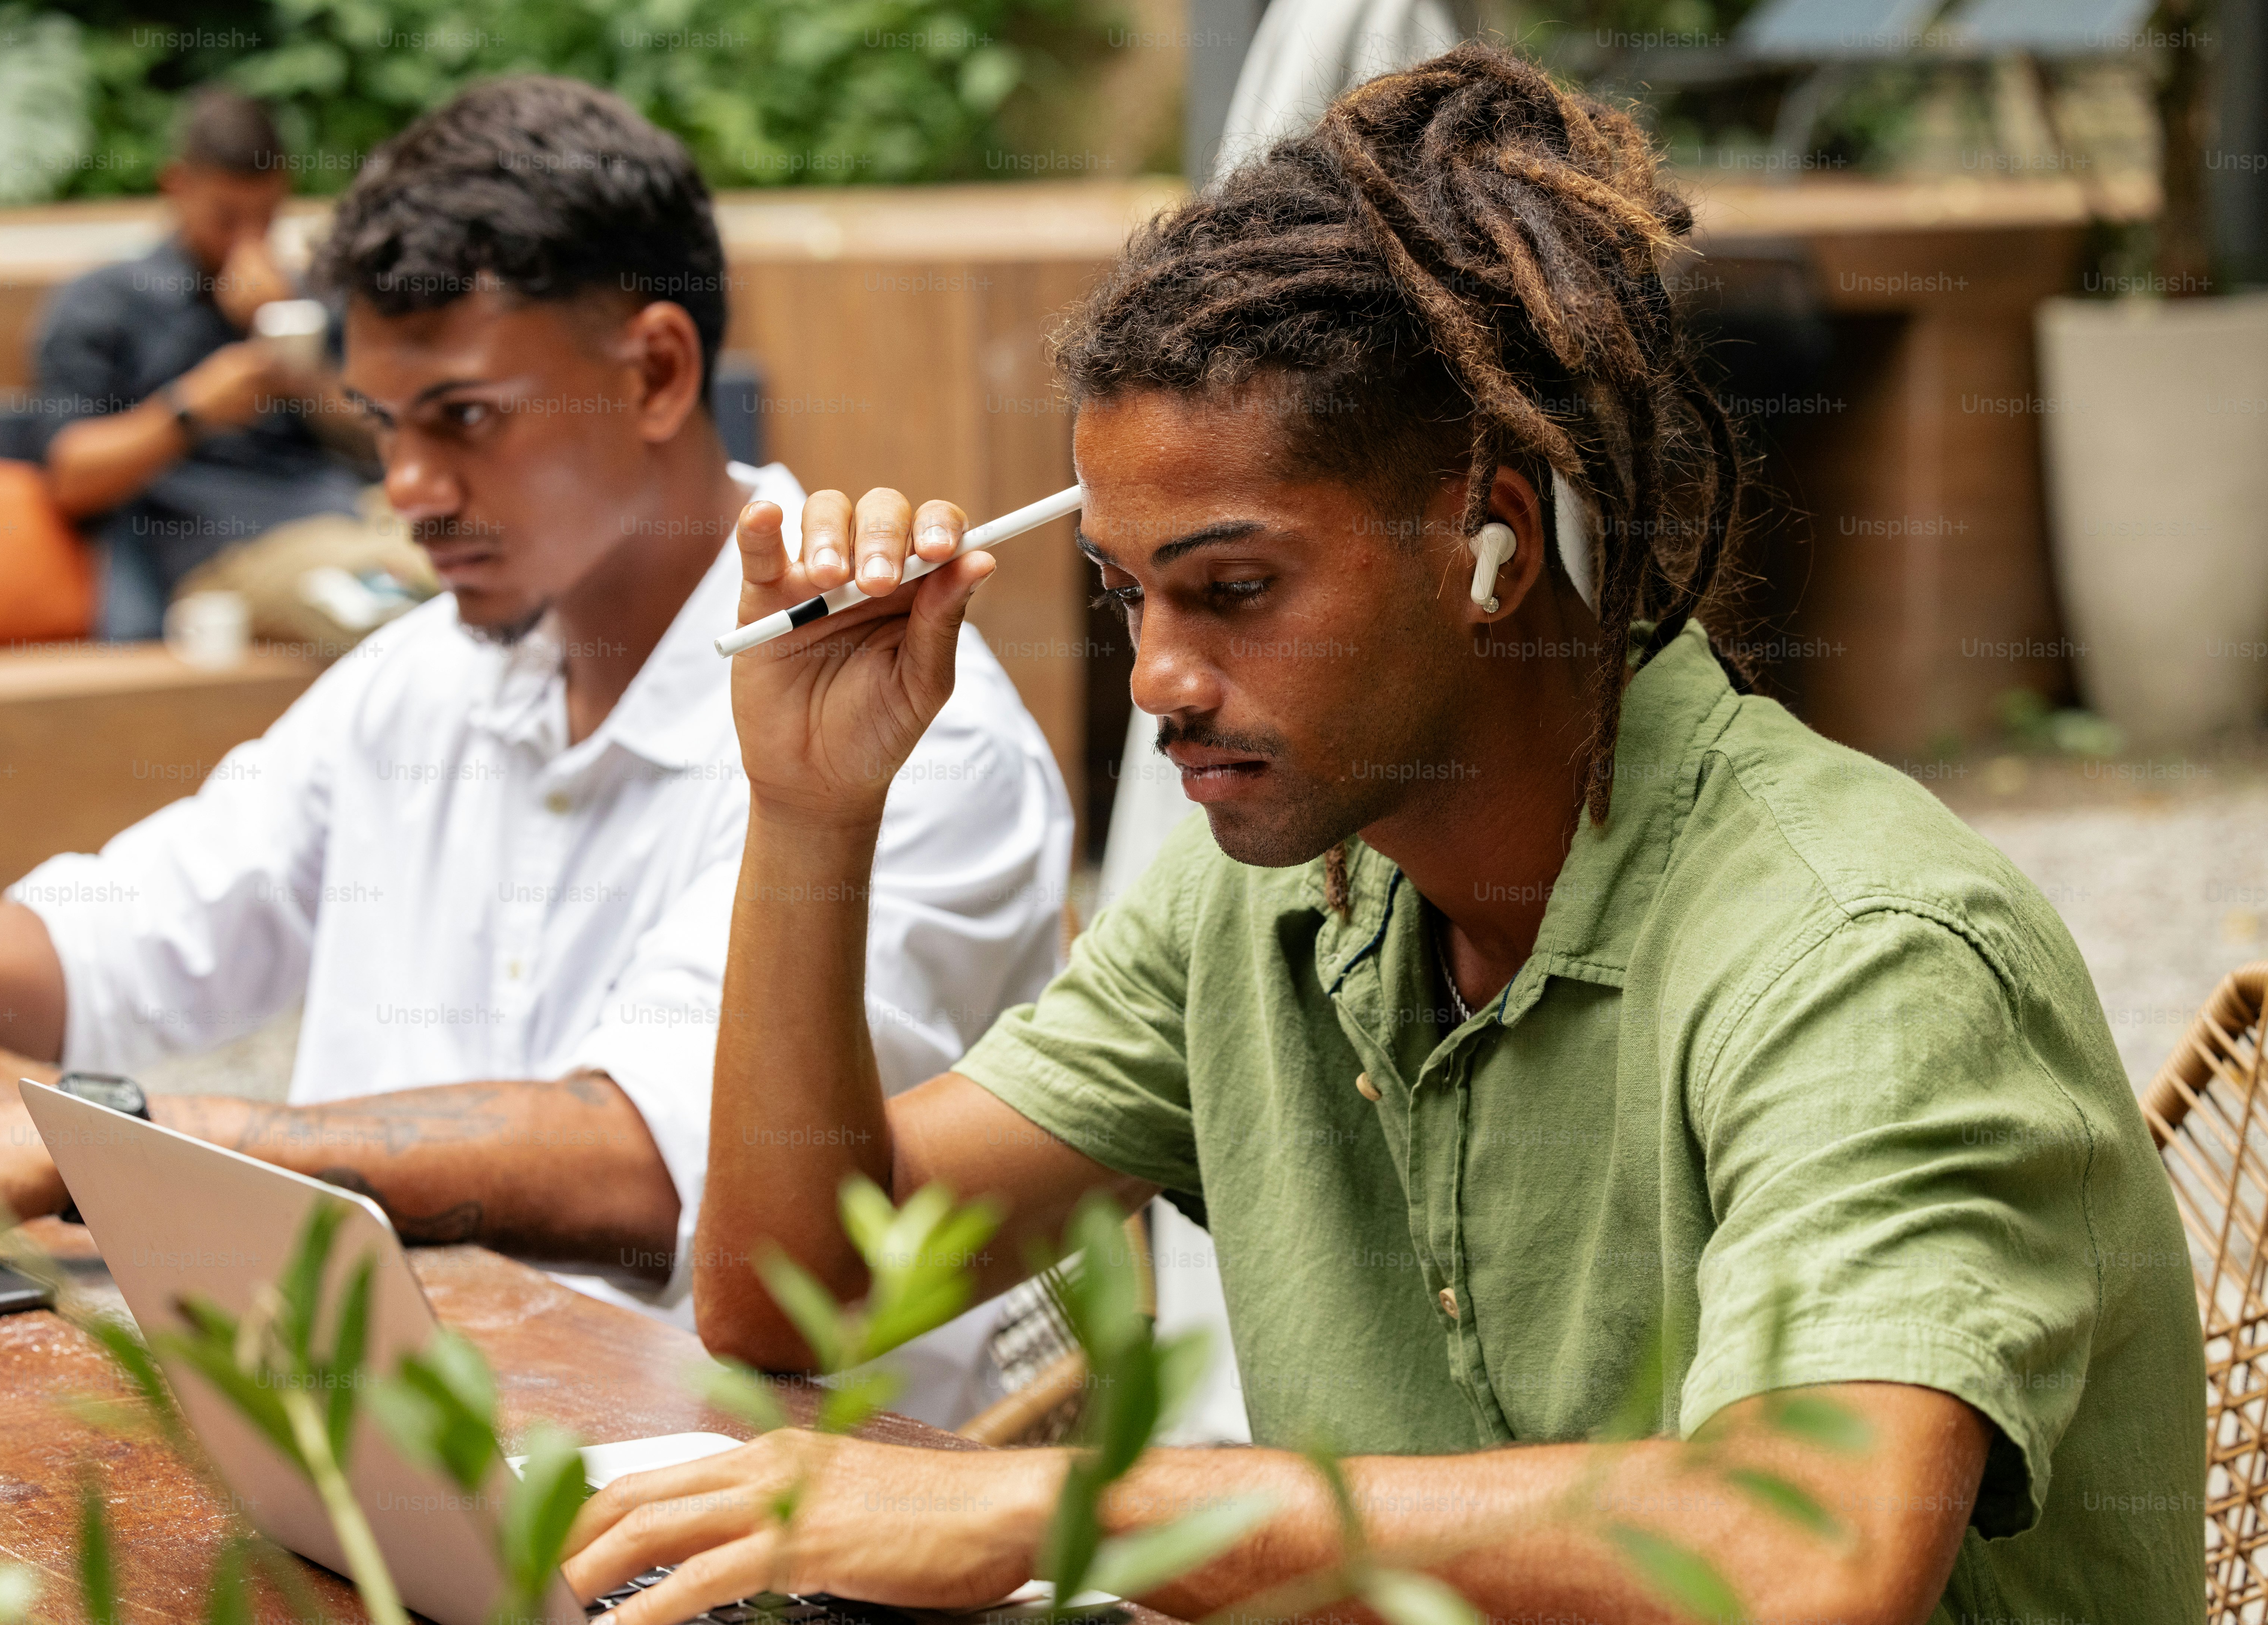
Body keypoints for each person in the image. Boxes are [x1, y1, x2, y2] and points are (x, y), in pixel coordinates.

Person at [558, 45, 2203, 1625]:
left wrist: (1069, 1511)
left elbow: (1807, 1556)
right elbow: (789, 1298)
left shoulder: (1864, 951)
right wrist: (812, 808)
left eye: (1237, 590)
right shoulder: (1269, 895)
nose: (1163, 682)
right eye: (1130, 597)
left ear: (1483, 539)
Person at [0, 77, 1070, 1423]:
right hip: (373, 1455)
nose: (408, 489)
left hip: (749, 1510)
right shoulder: (423, 677)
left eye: (464, 418)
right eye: (382, 425)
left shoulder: (913, 740)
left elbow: (663, 1170)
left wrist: (101, 1137)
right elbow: (133, 934)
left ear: (654, 371)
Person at [32, 86, 373, 639]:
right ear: (177, 186)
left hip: (350, 521)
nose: (248, 241)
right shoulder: (107, 302)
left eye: (265, 219)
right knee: (387, 615)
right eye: (226, 218)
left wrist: (295, 361)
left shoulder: (302, 300)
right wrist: (191, 410)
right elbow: (71, 478)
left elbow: (385, 440)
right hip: (217, 554)